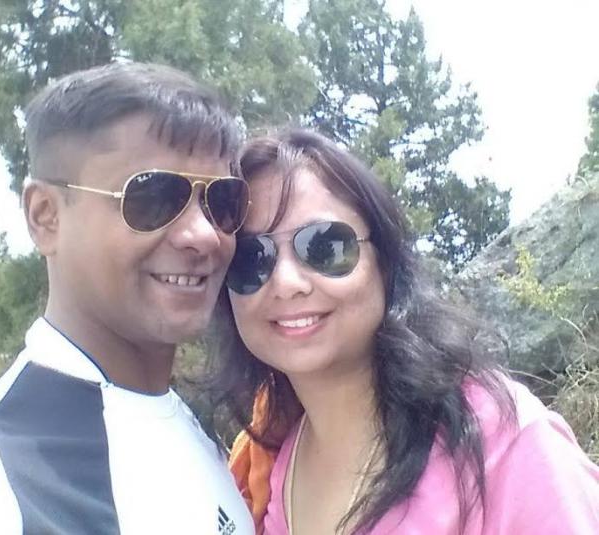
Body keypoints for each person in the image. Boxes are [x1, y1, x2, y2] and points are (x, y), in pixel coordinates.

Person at [211, 129, 599, 534]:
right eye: (251, 258)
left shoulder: (500, 439)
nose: (286, 282)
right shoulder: (268, 468)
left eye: (324, 246)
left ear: (384, 264)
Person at [0, 62, 255, 534]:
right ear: (45, 216)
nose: (203, 234)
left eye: (222, 201)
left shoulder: (196, 431)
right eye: (153, 197)